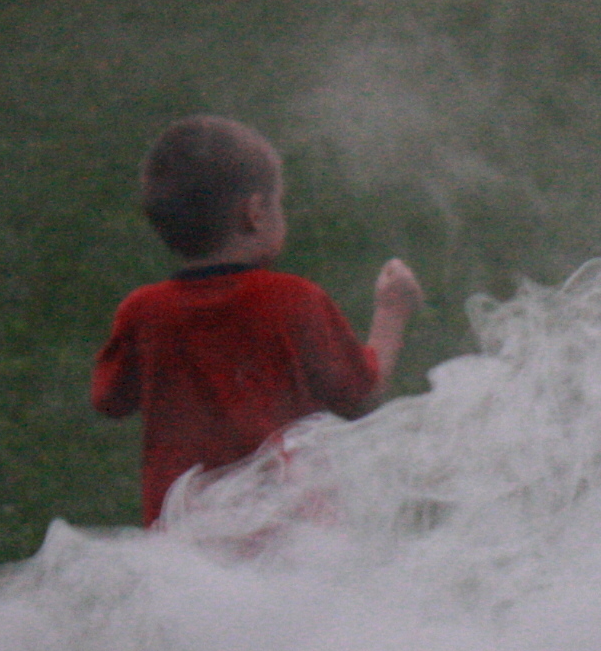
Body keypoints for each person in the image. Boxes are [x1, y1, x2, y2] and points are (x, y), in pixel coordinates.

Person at [93, 115, 422, 525]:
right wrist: (391, 311)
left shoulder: (143, 312)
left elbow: (109, 400)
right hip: (289, 535)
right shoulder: (293, 300)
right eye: (278, 202)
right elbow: (361, 397)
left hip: (186, 541)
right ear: (255, 213)